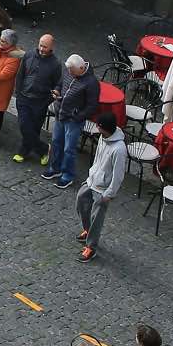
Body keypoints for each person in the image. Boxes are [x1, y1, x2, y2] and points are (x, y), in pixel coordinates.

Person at [76, 110, 127, 263]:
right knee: (81, 202)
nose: (96, 128)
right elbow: (98, 159)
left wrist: (109, 194)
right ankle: (87, 229)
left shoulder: (119, 149)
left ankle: (91, 247)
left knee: (97, 218)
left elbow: (118, 175)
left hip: (103, 190)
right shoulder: (103, 137)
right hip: (93, 180)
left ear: (103, 128)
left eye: (98, 126)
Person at [45, 55, 100, 189]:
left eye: (72, 71)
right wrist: (57, 91)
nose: (70, 73)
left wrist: (77, 117)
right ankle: (55, 168)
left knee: (69, 149)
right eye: (69, 70)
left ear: (81, 68)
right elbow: (60, 83)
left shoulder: (92, 83)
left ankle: (68, 175)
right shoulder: (68, 70)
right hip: (61, 114)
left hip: (73, 120)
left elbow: (92, 106)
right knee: (57, 142)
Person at [12, 32, 60, 166]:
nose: (41, 49)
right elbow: (20, 74)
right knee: (24, 125)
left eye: (45, 47)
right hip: (24, 97)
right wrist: (19, 92)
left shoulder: (55, 64)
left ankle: (24, 151)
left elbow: (57, 84)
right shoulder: (29, 55)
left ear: (51, 47)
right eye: (40, 45)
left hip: (40, 101)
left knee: (34, 128)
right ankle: (43, 149)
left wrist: (49, 99)